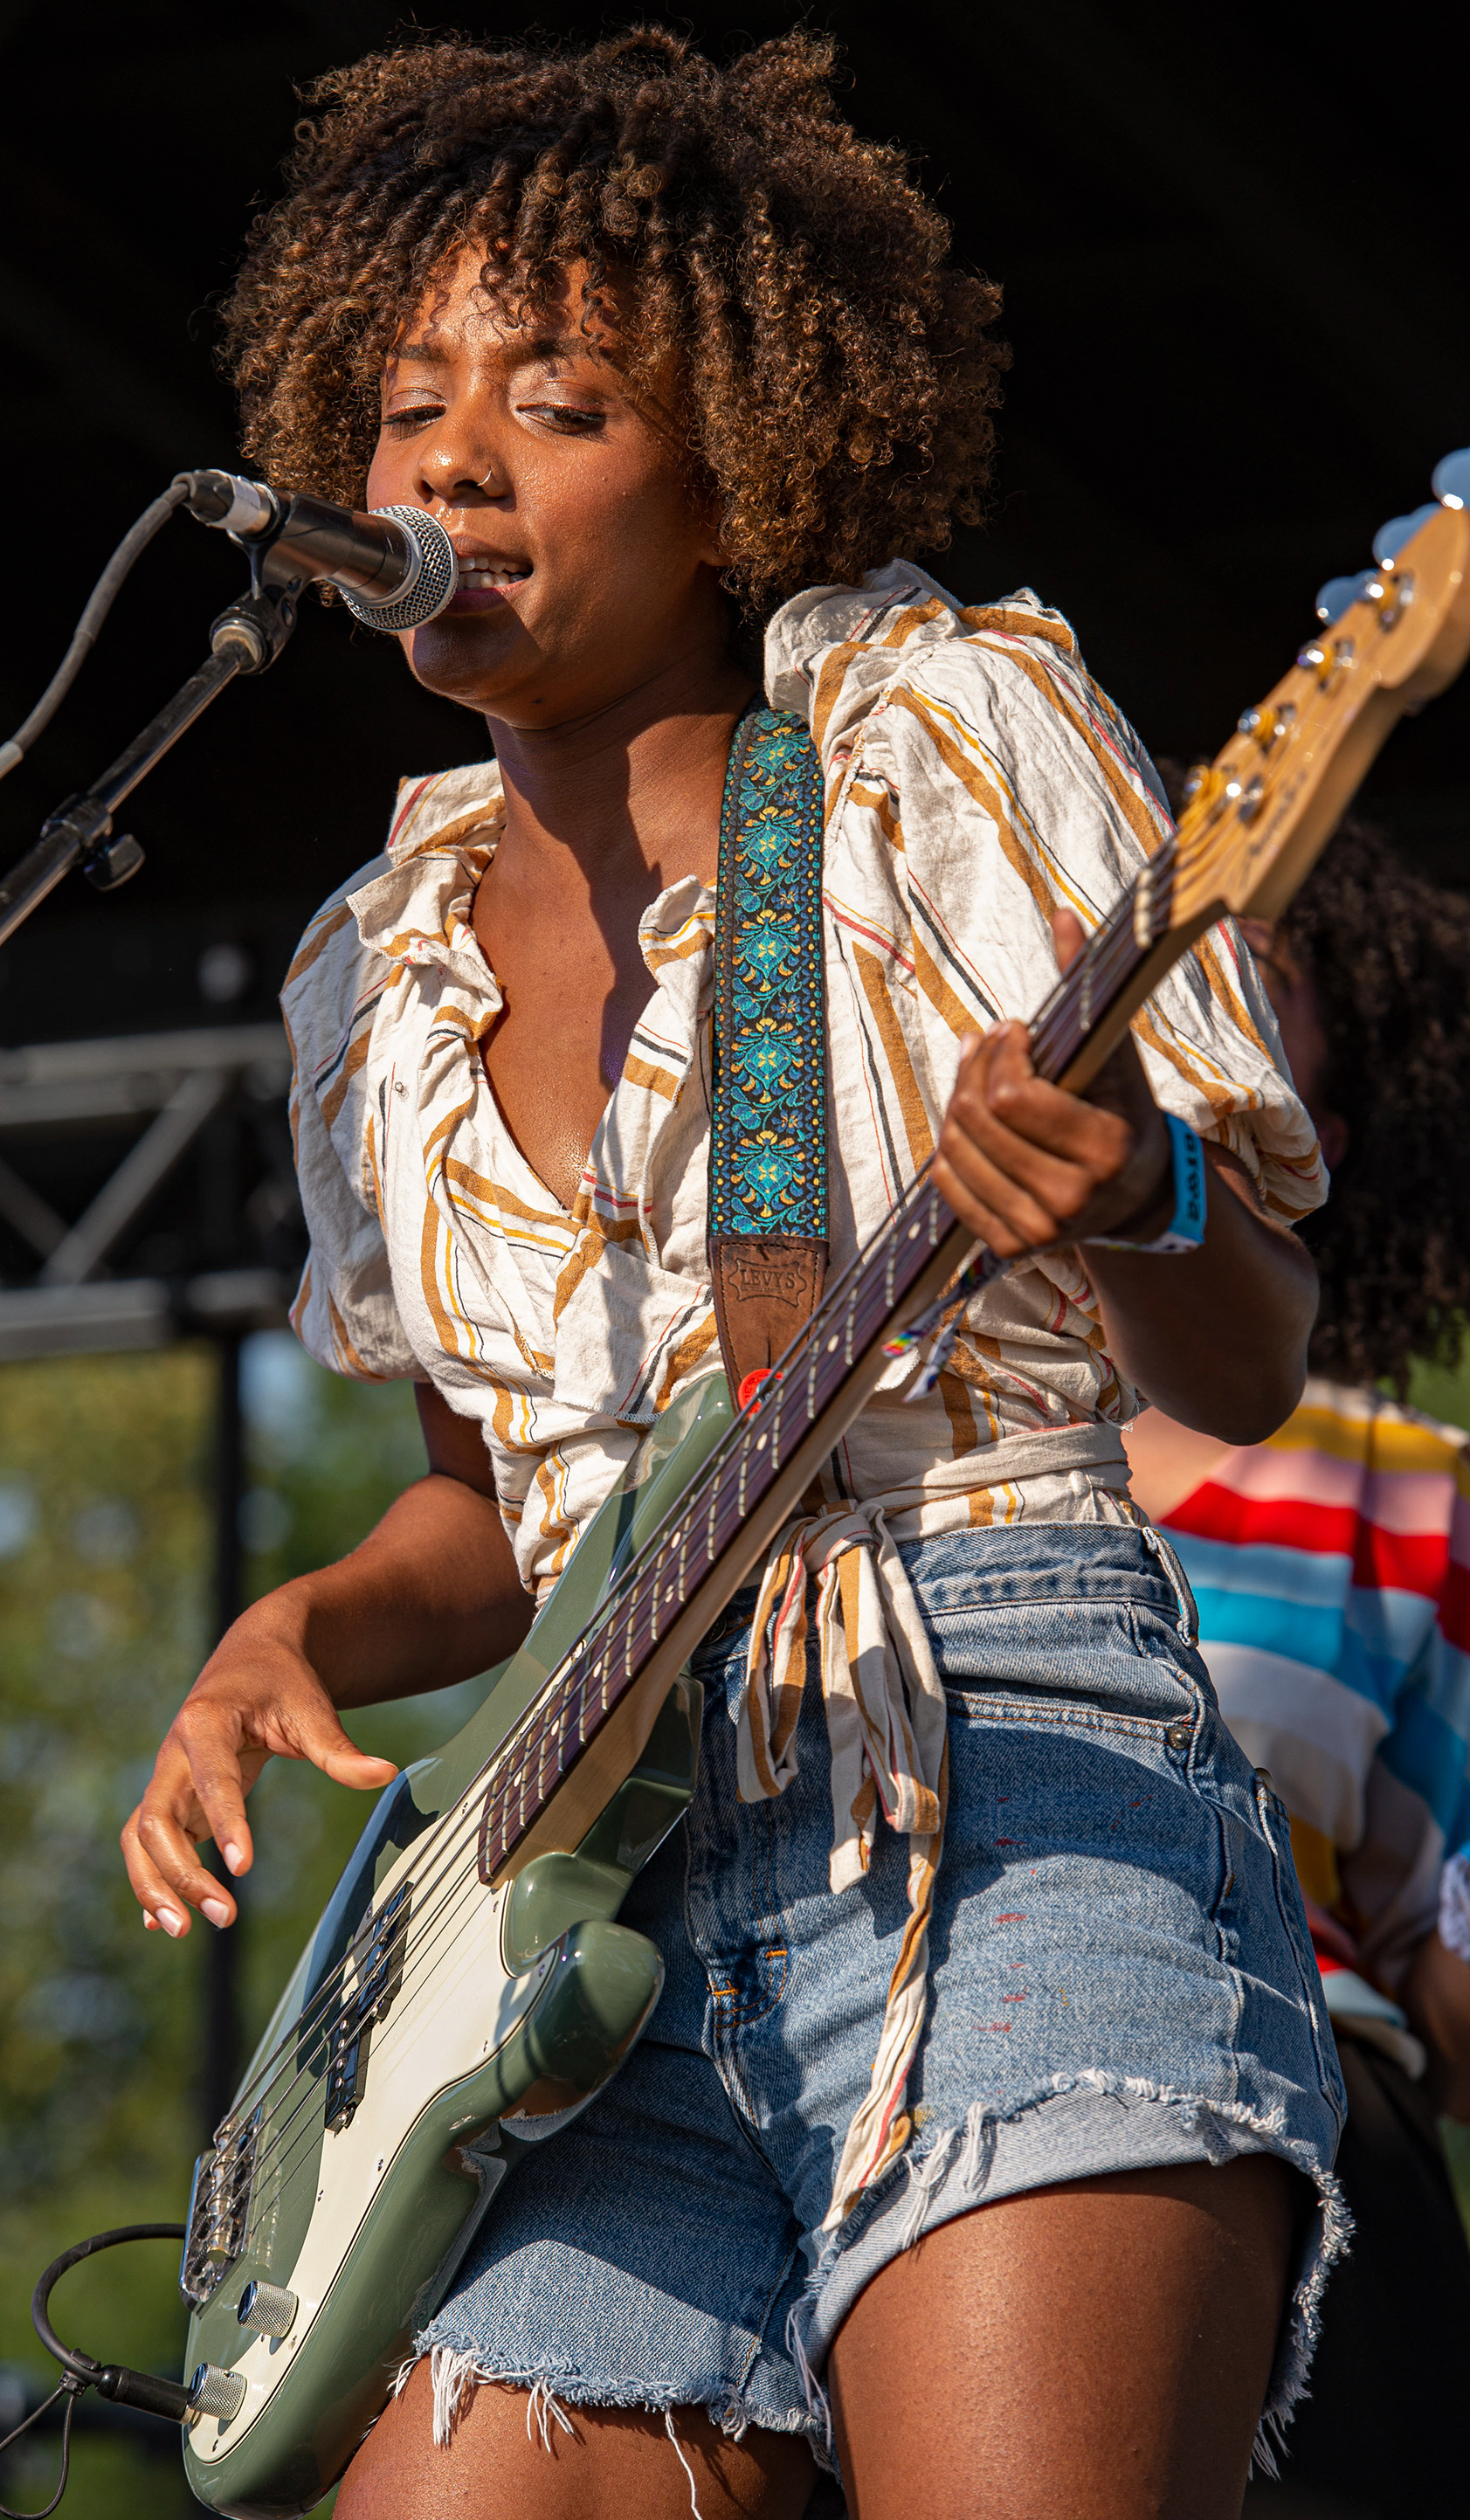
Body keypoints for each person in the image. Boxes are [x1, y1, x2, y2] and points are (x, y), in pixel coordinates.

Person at [121, 33, 1344, 2518]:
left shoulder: (925, 738)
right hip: (564, 1900)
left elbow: (1253, 1347)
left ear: (735, 479)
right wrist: (298, 1629)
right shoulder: (373, 964)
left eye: (557, 405)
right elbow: (505, 1512)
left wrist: (1137, 1191)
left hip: (1001, 1773)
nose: (453, 464)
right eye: (409, 406)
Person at [1124, 814, 1470, 2518]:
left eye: (1248, 992)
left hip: (1304, 2136)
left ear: (1316, 1139)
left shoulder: (1409, 1486)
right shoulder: (868, 1433)